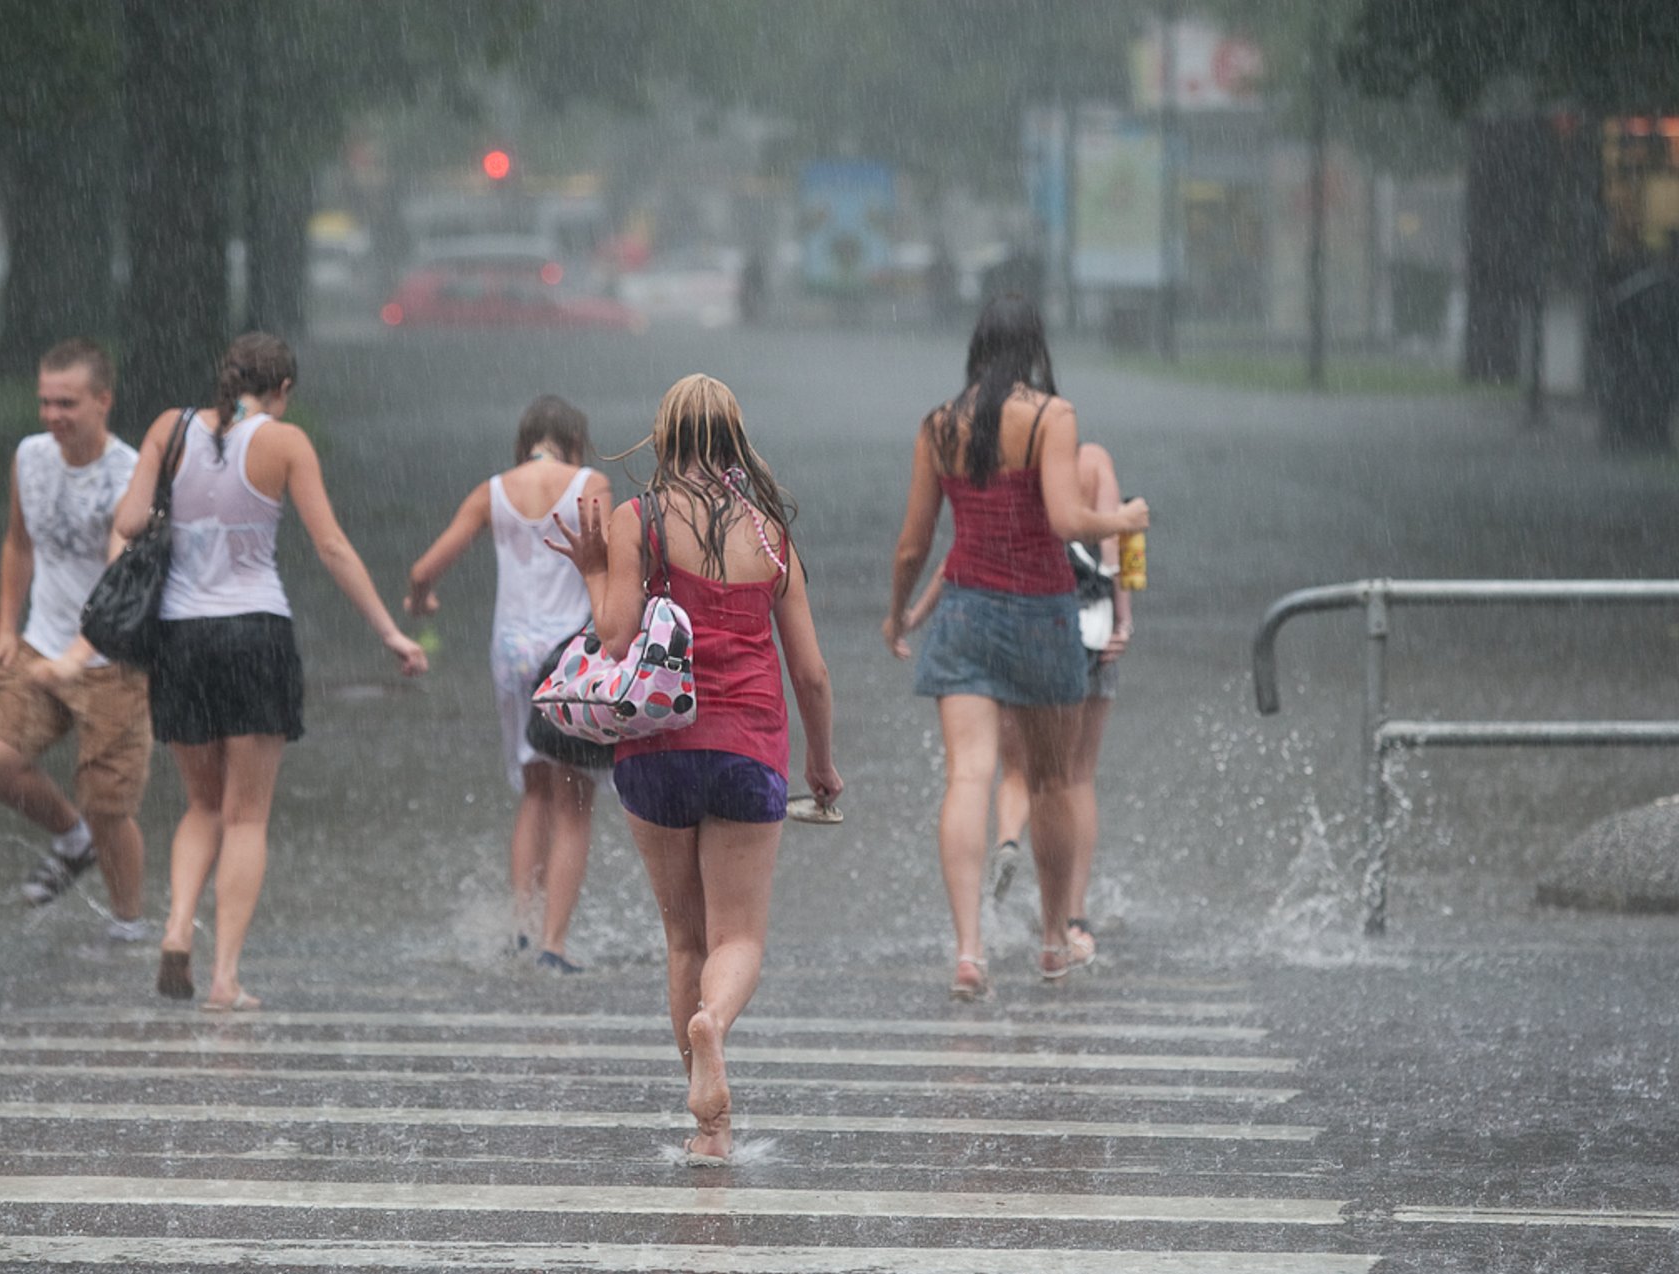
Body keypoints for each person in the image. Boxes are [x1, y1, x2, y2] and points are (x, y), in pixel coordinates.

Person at [550, 373, 840, 1163]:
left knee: (683, 936)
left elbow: (612, 639)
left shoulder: (636, 517)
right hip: (749, 750)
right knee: (738, 933)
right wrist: (822, 763)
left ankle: (707, 1122)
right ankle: (717, 1030)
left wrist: (590, 569)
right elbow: (810, 672)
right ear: (733, 437)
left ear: (665, 436)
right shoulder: (772, 533)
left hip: (656, 750)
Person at [114, 332, 427, 1011]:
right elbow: (332, 546)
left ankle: (175, 927)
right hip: (256, 633)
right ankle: (225, 976)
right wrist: (390, 630)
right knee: (246, 815)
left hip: (181, 635)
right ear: (282, 390)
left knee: (201, 803)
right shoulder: (285, 444)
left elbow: (129, 518)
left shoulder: (169, 428)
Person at [885, 296, 1147, 997]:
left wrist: (896, 614)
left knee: (970, 775)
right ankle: (1055, 939)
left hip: (964, 611)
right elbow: (1064, 519)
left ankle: (969, 949)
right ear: (1034, 345)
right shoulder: (1051, 418)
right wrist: (1118, 518)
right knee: (1054, 781)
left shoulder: (941, 425)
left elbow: (915, 542)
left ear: (975, 345)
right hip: (1042, 613)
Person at [905, 441, 1135, 968]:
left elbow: (962, 552)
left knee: (1014, 770)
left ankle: (1008, 837)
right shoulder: (1093, 461)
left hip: (1010, 626)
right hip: (1086, 630)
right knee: (1074, 777)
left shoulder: (993, 465)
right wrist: (1123, 620)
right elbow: (1116, 545)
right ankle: (1072, 920)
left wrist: (910, 615)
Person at [405, 395, 613, 973]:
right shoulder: (589, 483)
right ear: (575, 440)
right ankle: (553, 944)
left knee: (536, 792)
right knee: (574, 803)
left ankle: (520, 927)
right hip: (569, 658)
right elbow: (614, 562)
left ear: (526, 441)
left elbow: (424, 569)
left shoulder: (493, 491)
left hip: (511, 654)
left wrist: (422, 601)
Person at [0, 338, 152, 941]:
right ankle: (72, 840)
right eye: (45, 402)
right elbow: (18, 543)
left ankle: (128, 925)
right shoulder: (30, 456)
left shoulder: (129, 474)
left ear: (104, 401)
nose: (52, 416)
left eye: (67, 403)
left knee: (109, 805)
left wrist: (81, 654)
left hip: (109, 658)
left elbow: (124, 576)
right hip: (41, 642)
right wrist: (5, 629)